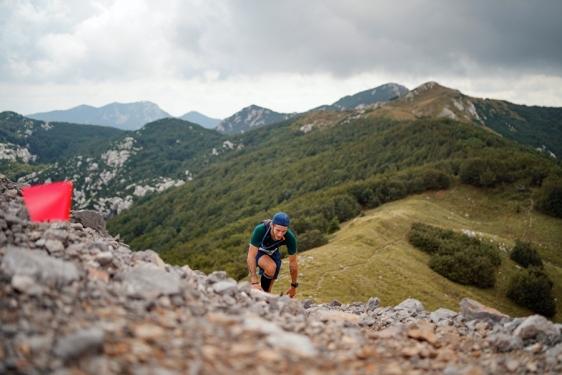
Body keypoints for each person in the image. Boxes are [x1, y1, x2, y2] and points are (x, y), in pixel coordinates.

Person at [247, 212, 299, 297]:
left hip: (273, 251)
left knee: (269, 285)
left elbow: (293, 262)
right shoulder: (260, 229)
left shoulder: (290, 237)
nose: (280, 234)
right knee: (271, 267)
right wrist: (254, 282)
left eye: (284, 231)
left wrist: (293, 286)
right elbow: (251, 255)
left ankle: (264, 297)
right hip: (258, 249)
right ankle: (259, 292)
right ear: (272, 225)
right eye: (278, 230)